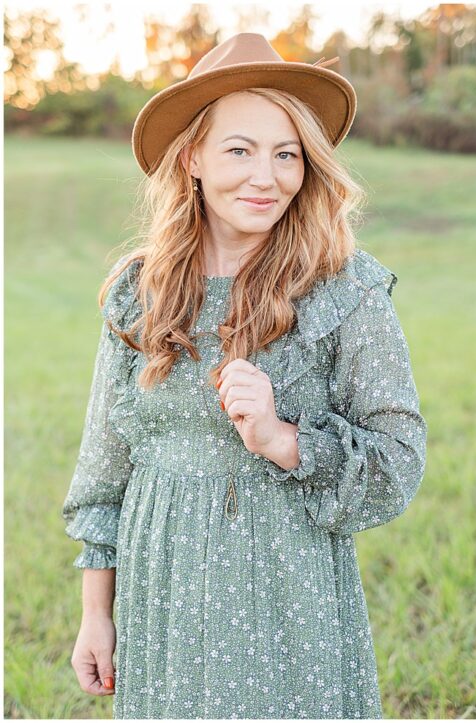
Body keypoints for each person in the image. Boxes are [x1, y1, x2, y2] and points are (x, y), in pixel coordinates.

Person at [61, 33, 427, 718]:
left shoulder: (342, 290)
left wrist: (284, 437)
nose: (267, 177)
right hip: (161, 585)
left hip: (286, 588)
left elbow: (400, 460)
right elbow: (103, 470)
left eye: (286, 154)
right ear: (193, 157)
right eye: (241, 150)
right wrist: (96, 612)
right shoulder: (141, 292)